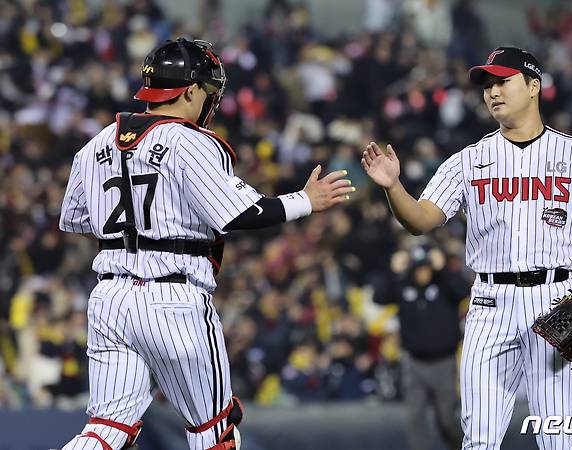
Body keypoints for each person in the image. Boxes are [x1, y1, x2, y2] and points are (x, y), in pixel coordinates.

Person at [58, 37, 354, 450]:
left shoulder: (96, 144)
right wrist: (305, 200)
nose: (211, 101)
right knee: (213, 429)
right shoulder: (190, 140)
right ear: (192, 90)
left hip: (109, 296)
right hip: (173, 296)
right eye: (209, 91)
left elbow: (75, 219)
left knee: (107, 428)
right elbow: (237, 214)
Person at [362, 46, 572, 449]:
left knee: (557, 439)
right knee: (480, 439)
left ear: (534, 86)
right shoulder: (468, 160)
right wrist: (393, 187)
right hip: (489, 302)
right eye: (487, 85)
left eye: (503, 81)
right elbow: (419, 221)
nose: (492, 92)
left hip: (555, 300)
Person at [372, 244, 469, 450]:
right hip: (413, 362)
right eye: (418, 268)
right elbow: (379, 297)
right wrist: (393, 272)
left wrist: (443, 269)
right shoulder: (403, 285)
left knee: (446, 419)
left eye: (425, 268)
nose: (421, 273)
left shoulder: (443, 284)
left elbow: (463, 290)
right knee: (415, 419)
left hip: (443, 362)